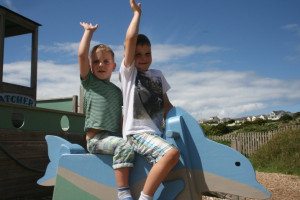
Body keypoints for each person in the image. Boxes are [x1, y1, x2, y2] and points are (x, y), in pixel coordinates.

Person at [119, 1, 180, 200]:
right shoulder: (129, 73)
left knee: (178, 156)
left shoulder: (158, 75)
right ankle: (146, 197)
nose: (143, 58)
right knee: (171, 154)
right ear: (129, 56)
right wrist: (137, 14)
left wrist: (181, 119)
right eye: (138, 54)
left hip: (155, 132)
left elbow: (167, 106)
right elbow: (130, 39)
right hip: (136, 132)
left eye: (148, 53)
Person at [78, 22, 134, 200]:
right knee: (124, 146)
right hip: (95, 140)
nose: (100, 64)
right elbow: (81, 55)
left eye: (105, 61)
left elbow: (120, 118)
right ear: (91, 65)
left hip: (111, 137)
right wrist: (88, 33)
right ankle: (123, 191)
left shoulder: (117, 92)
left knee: (130, 144)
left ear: (113, 65)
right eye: (96, 61)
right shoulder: (89, 83)